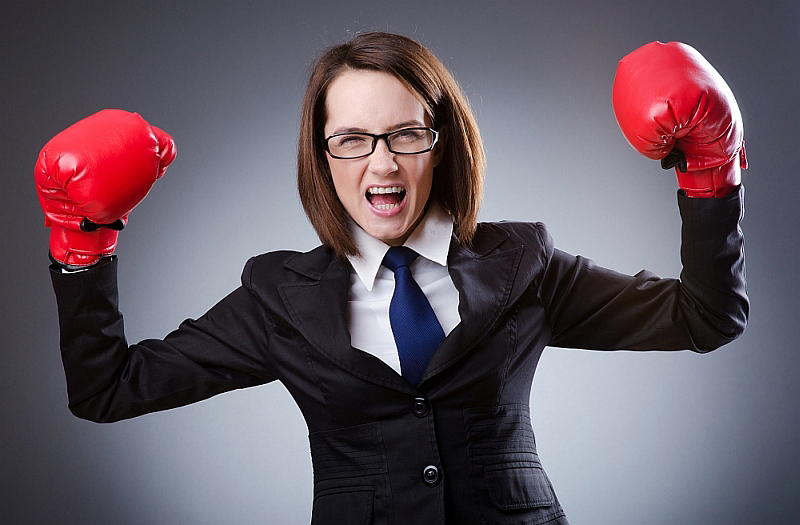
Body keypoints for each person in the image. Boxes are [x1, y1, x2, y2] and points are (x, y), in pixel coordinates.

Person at [36, 32, 748, 525]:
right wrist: (82, 245)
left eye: (406, 134)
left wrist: (711, 175)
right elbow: (107, 389)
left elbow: (704, 316)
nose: (382, 164)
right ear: (322, 155)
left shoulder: (524, 266)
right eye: (351, 139)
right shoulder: (277, 299)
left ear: (441, 143)